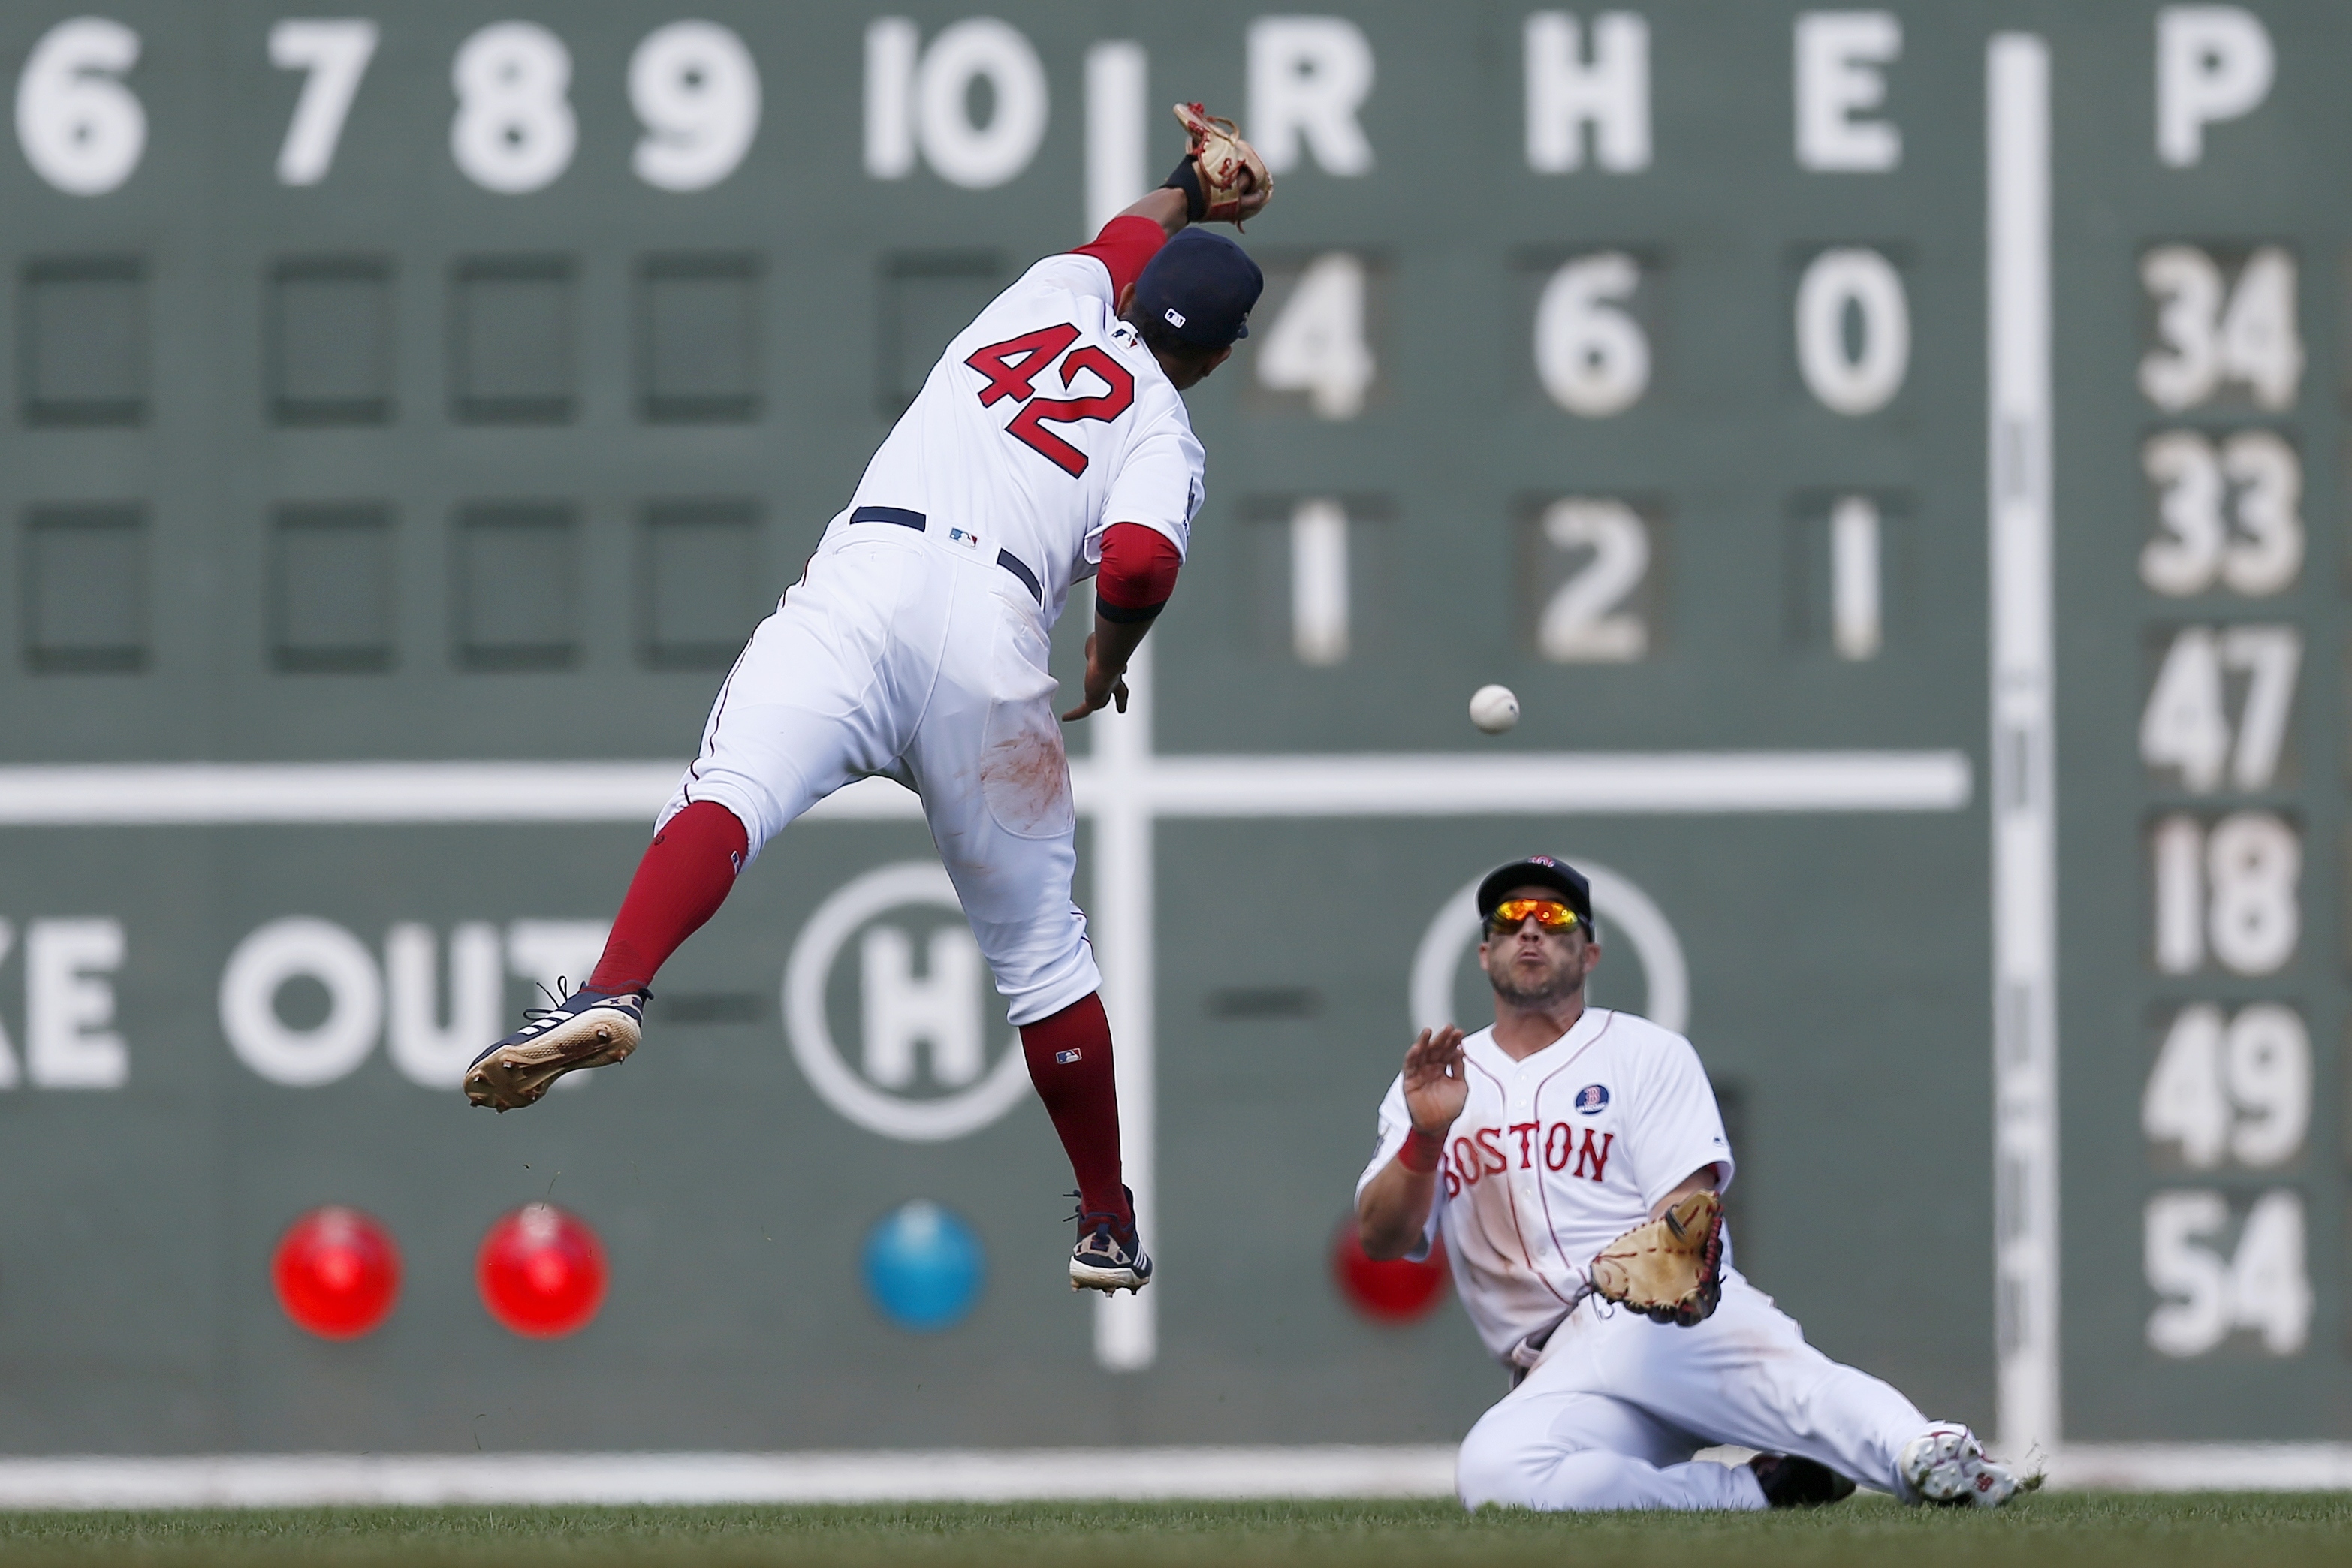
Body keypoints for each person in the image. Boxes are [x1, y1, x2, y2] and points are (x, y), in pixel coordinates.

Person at [464, 107, 1272, 1297]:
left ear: (1139, 288)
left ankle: (612, 988)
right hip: (992, 642)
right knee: (1043, 960)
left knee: (727, 796)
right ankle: (1104, 1217)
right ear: (1221, 350)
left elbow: (1120, 237)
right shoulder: (1166, 427)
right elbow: (1143, 562)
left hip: (865, 583)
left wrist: (1189, 191)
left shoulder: (1049, 298)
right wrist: (1103, 660)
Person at [1355, 855, 2030, 1510]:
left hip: (1659, 1324)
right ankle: (1756, 1493)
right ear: (1484, 953)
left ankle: (1931, 1453)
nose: (1530, 928)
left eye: (1555, 915)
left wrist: (1663, 1260)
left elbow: (1689, 1209)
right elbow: (1384, 1239)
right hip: (1558, 1371)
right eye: (1510, 916)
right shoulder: (1437, 1082)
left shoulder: (1644, 1053)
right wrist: (1426, 1137)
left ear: (1589, 953)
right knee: (1497, 1476)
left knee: (1800, 1390)